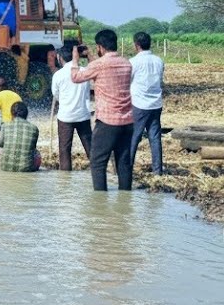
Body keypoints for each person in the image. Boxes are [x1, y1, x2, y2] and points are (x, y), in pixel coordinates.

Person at [71, 28, 134, 191]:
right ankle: (125, 197)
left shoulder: (98, 65)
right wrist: (91, 56)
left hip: (107, 121)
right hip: (127, 120)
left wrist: (75, 60)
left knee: (97, 162)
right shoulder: (126, 63)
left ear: (100, 47)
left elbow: (75, 77)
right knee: (123, 161)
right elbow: (102, 68)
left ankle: (100, 199)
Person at [51, 43, 92, 171]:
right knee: (90, 148)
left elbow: (56, 95)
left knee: (64, 150)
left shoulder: (58, 75)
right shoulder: (84, 71)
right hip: (83, 115)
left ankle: (65, 179)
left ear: (60, 58)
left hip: (65, 117)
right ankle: (97, 173)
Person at [129, 32, 166, 176]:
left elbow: (128, 81)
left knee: (134, 137)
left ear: (137, 45)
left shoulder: (133, 62)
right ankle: (157, 170)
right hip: (155, 103)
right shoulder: (159, 60)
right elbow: (160, 80)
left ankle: (128, 167)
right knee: (155, 137)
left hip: (139, 104)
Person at [0, 102, 41, 172]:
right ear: (26, 115)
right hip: (26, 169)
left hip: (5, 167)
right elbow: (33, 147)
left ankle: (0, 168)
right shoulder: (34, 128)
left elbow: (0, 144)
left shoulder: (5, 126)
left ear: (12, 114)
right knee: (37, 153)